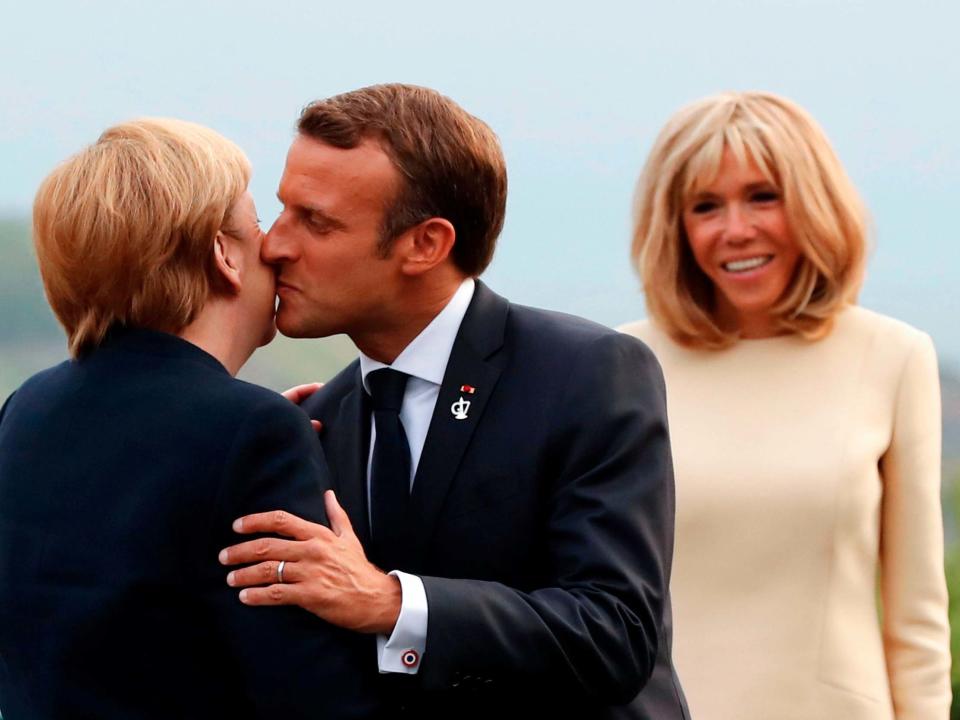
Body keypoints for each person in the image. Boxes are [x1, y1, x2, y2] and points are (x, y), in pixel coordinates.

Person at [218, 84, 689, 719]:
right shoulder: (311, 423)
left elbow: (615, 633)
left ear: (425, 245)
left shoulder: (590, 372)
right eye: (282, 212)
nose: (275, 246)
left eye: (317, 221)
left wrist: (392, 603)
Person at [0, 118, 377, 719]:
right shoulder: (250, 432)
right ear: (222, 254)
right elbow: (316, 698)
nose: (273, 245)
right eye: (255, 223)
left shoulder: (28, 407)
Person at [617, 91, 951, 719]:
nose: (736, 229)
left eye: (763, 196)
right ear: (676, 226)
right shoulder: (624, 363)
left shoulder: (894, 356)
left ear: (815, 203)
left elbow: (918, 626)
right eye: (705, 206)